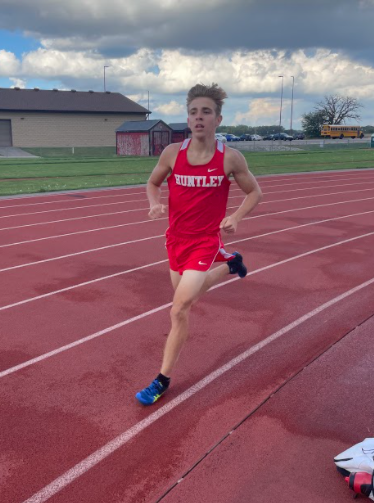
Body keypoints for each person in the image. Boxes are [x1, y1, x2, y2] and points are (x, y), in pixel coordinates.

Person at [136, 83, 262, 405]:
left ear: (218, 119)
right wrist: (154, 202)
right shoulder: (171, 154)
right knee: (186, 300)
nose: (199, 117)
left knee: (178, 309)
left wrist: (236, 217)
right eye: (193, 112)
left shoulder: (229, 159)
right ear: (188, 119)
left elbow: (254, 193)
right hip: (175, 240)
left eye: (206, 112)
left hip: (205, 241)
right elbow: (152, 183)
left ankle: (161, 379)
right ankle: (231, 263)